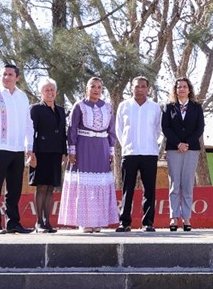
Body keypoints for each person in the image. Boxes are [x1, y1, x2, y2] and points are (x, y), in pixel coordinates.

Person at [61, 77, 119, 232]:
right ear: (86, 88)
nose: (96, 90)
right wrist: (72, 150)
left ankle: (99, 221)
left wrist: (111, 150)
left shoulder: (107, 107)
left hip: (102, 147)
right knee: (84, 184)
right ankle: (85, 222)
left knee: (100, 183)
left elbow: (111, 130)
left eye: (99, 87)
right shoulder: (79, 106)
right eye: (93, 86)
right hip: (84, 146)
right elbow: (72, 128)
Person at [0, 63, 33, 235]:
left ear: (17, 77)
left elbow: (28, 123)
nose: (6, 77)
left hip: (18, 149)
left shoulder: (22, 97)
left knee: (14, 189)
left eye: (10, 74)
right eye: (4, 74)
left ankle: (13, 223)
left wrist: (29, 147)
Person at [114, 76, 161, 233]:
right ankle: (124, 222)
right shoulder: (124, 106)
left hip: (149, 153)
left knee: (149, 190)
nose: (139, 89)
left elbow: (158, 129)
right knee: (128, 188)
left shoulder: (155, 107)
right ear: (131, 88)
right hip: (130, 153)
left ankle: (148, 223)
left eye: (143, 86)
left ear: (148, 89)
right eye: (136, 86)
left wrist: (153, 144)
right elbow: (119, 129)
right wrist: (127, 145)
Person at [161, 77, 205, 232]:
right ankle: (174, 217)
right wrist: (178, 143)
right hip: (174, 149)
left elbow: (199, 128)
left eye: (184, 87)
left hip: (191, 149)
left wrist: (186, 143)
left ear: (189, 89)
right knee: (174, 184)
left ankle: (186, 217)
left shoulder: (196, 107)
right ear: (175, 90)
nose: (182, 89)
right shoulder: (168, 107)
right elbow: (165, 128)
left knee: (187, 185)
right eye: (179, 87)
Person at [27, 78, 67, 233]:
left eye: (52, 90)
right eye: (46, 90)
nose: (50, 93)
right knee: (41, 187)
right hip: (41, 152)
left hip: (56, 153)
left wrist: (64, 151)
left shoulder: (61, 110)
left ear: (56, 92)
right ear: (41, 92)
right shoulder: (35, 109)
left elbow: (63, 132)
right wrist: (32, 153)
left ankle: (47, 222)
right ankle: (38, 222)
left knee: (51, 188)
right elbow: (31, 132)